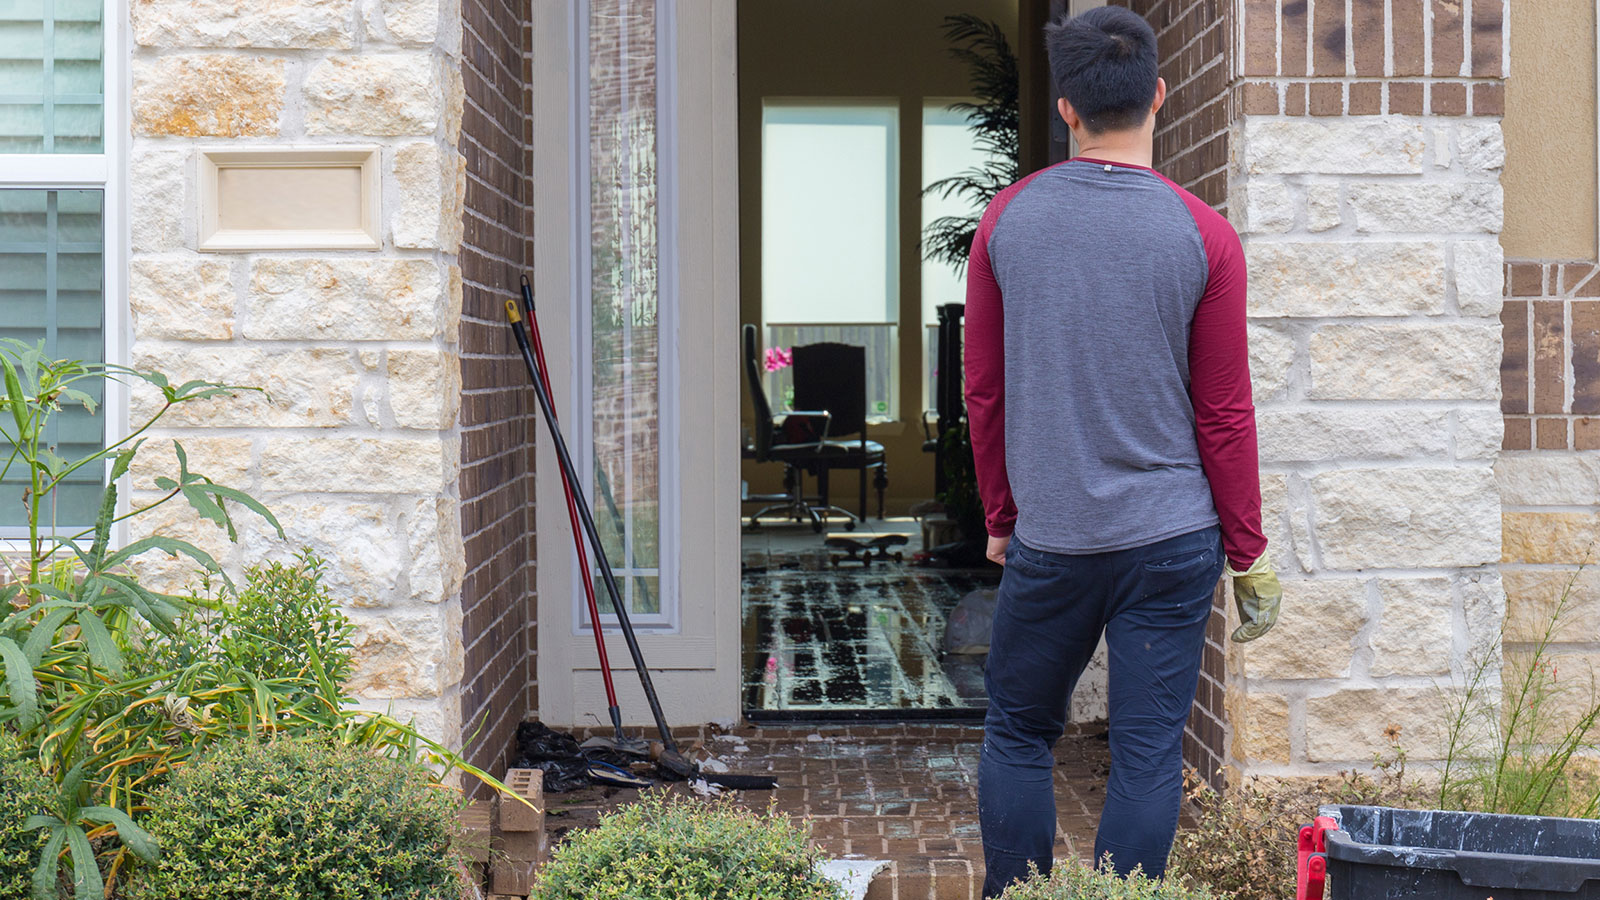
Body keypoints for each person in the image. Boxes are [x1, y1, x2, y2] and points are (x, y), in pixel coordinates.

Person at [963, 7, 1283, 896]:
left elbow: (983, 389)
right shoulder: (1204, 234)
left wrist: (1002, 516)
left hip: (1054, 538)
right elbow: (1225, 412)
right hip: (1172, 541)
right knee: (1147, 754)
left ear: (1066, 108)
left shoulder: (1007, 220)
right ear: (1160, 95)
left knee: (1019, 733)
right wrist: (1249, 553)